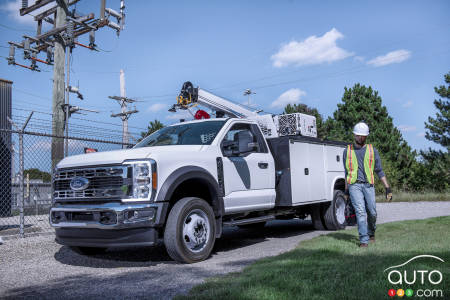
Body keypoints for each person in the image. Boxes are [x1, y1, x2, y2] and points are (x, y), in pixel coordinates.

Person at [343, 122, 393, 248]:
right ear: (354, 135)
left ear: (366, 136)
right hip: (354, 185)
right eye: (358, 135)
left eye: (363, 136)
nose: (361, 138)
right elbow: (346, 173)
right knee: (360, 212)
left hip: (368, 185)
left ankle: (371, 233)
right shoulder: (347, 151)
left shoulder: (372, 150)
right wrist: (346, 192)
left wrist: (388, 188)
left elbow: (379, 170)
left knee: (372, 212)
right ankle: (363, 240)